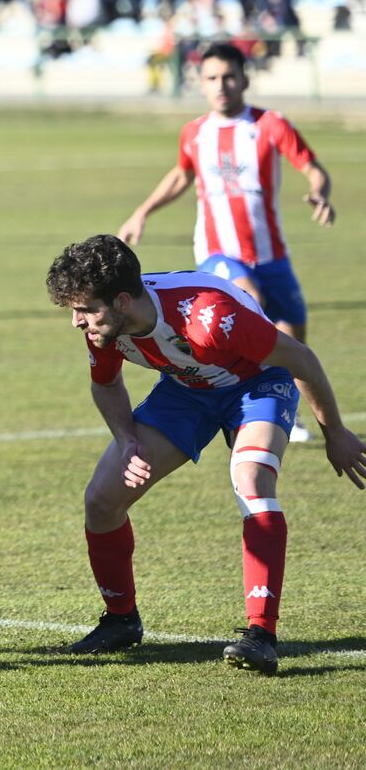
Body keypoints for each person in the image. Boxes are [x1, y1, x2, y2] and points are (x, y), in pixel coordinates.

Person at [45, 235, 365, 675]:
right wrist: (127, 440)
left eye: (85, 310)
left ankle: (261, 635)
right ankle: (121, 620)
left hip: (255, 384)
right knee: (102, 498)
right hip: (186, 390)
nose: (77, 322)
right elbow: (106, 384)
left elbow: (301, 359)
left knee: (251, 479)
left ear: (121, 300)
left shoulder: (211, 318)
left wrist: (335, 433)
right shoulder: (106, 326)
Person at [117, 42, 336, 441]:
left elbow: (312, 168)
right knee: (249, 300)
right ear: (201, 84)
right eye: (212, 78)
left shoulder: (270, 124)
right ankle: (239, 408)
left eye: (229, 77)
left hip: (272, 254)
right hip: (219, 253)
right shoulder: (196, 133)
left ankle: (283, 412)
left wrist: (320, 193)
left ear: (245, 79)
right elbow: (182, 175)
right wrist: (142, 211)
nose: (222, 85)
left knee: (294, 337)